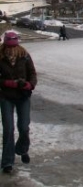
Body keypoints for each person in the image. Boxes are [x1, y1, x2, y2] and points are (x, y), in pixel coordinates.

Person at [0, 31, 38, 174]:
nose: (11, 50)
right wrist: (8, 83)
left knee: (24, 127)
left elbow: (33, 74)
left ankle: (22, 149)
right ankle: (7, 162)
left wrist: (30, 84)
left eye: (13, 46)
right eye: (9, 47)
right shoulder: (0, 56)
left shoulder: (24, 55)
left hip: (23, 96)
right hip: (6, 96)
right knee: (8, 129)